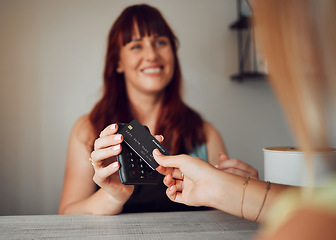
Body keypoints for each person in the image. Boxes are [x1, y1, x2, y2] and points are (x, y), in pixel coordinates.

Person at [154, 0, 336, 239]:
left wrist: (223, 187)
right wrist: (222, 187)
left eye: (262, 18)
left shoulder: (204, 131)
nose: (263, 40)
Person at [58, 4, 258, 215]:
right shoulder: (87, 129)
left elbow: (224, 215)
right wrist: (112, 196)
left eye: (160, 42)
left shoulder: (204, 134)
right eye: (136, 46)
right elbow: (67, 215)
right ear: (118, 62)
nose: (152, 55)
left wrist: (246, 192)